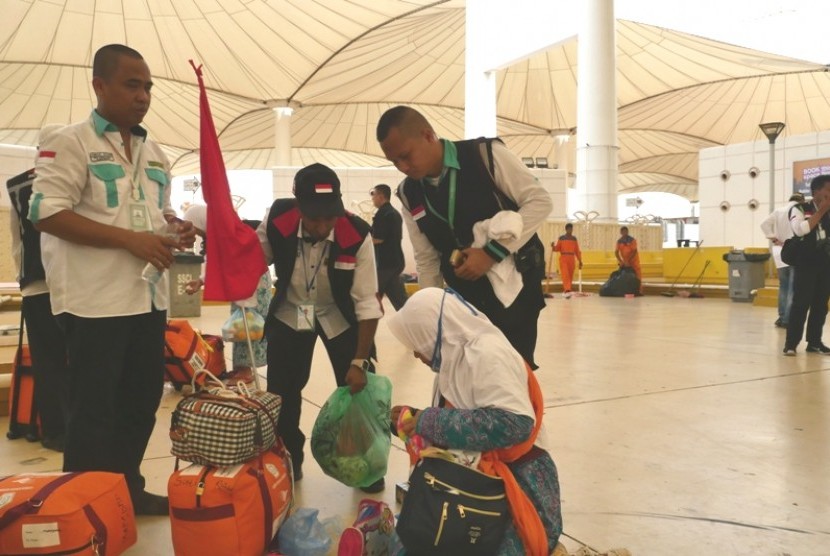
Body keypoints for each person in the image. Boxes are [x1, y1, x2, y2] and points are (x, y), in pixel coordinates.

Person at [29, 44, 195, 515]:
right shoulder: (70, 142)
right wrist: (129, 240)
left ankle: (126, 489)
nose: (143, 96)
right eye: (131, 84)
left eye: (147, 87)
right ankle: (82, 506)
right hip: (94, 302)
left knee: (141, 401)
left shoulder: (153, 150)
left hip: (146, 297)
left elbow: (154, 214)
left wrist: (173, 229)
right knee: (93, 410)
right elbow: (45, 213)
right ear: (99, 85)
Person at [387, 287, 562, 555]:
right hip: (478, 477)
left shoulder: (486, 355)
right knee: (415, 538)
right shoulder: (454, 356)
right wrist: (415, 418)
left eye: (416, 343)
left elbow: (515, 424)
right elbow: (462, 415)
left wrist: (430, 421)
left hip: (517, 485)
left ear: (433, 333)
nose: (415, 354)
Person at [376, 105, 551, 368]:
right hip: (464, 299)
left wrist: (492, 253)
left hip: (515, 292)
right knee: (466, 376)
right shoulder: (408, 194)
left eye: (406, 156)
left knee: (514, 373)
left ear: (427, 135)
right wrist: (431, 322)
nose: (403, 167)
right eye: (394, 162)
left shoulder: (485, 156)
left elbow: (540, 202)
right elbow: (427, 260)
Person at [256, 163, 384, 491]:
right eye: (315, 219)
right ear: (298, 205)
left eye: (330, 217)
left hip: (338, 315)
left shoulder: (356, 233)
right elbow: (255, 257)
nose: (323, 226)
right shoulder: (279, 218)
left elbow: (367, 302)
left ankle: (365, 465)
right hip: (292, 311)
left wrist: (359, 361)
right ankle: (289, 459)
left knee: (357, 389)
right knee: (283, 392)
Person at [6, 124, 69, 452]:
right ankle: (71, 429)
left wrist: (23, 277)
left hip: (35, 286)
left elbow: (17, 242)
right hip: (70, 286)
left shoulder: (16, 186)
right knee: (78, 361)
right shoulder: (68, 181)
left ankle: (53, 431)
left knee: (47, 362)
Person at [184, 205, 271, 384]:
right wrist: (200, 281)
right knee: (240, 325)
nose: (196, 232)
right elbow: (216, 262)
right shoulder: (216, 237)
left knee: (249, 325)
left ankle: (245, 371)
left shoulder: (231, 234)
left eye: (195, 227)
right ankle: (242, 368)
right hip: (242, 283)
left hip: (252, 281)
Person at [783, 176, 830, 356]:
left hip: (825, 264)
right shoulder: (800, 208)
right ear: (816, 191)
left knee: (820, 305)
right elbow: (800, 229)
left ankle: (815, 342)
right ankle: (791, 344)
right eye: (828, 190)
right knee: (800, 304)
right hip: (805, 263)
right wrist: (822, 211)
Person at [760, 192, 805, 328]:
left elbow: (764, 224)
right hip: (795, 252)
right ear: (801, 201)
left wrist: (773, 238)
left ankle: (781, 317)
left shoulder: (778, 211)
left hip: (779, 252)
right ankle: (787, 320)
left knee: (783, 286)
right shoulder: (799, 211)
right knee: (793, 287)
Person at [370, 184, 408, 311]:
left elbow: (378, 239)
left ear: (381, 196)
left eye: (373, 195)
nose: (372, 199)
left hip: (385, 264)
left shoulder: (383, 214)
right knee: (398, 298)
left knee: (372, 297)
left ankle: (365, 324)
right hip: (395, 261)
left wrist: (361, 245)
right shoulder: (394, 213)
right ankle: (410, 319)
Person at [552, 222, 583, 297]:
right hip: (564, 258)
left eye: (571, 229)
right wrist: (553, 247)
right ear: (566, 229)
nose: (570, 230)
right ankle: (567, 289)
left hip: (571, 258)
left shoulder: (574, 239)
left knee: (570, 274)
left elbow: (577, 250)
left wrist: (580, 260)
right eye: (569, 229)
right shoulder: (561, 238)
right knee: (565, 274)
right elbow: (557, 248)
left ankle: (568, 289)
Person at [615, 226, 642, 295]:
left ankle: (638, 291)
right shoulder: (619, 241)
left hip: (634, 261)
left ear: (627, 232)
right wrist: (621, 261)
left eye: (625, 231)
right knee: (625, 276)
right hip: (625, 262)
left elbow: (634, 251)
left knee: (637, 275)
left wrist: (628, 261)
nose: (624, 233)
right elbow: (616, 252)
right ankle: (628, 291)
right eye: (623, 232)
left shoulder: (632, 240)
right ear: (621, 232)